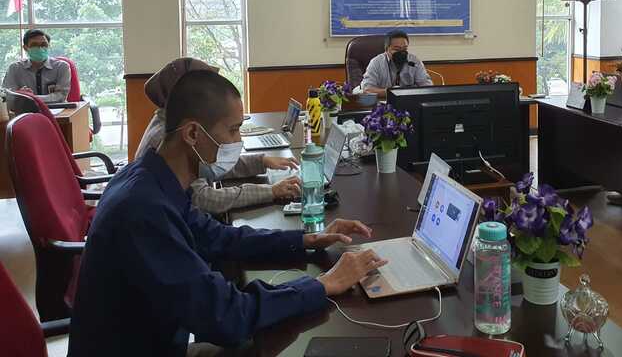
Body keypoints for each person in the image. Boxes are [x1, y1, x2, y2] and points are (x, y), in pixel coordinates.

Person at [67, 70, 387, 357]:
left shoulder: (151, 178)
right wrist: (323, 284)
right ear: (193, 134)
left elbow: (217, 237)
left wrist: (305, 240)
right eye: (234, 130)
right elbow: (228, 317)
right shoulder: (143, 210)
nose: (239, 142)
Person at [135, 58, 301, 214]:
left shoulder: (170, 124)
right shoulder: (168, 139)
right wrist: (270, 191)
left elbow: (212, 162)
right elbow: (204, 198)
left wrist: (260, 161)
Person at [2, 29, 71, 103]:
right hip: (24, 109)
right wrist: (19, 93)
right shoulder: (14, 68)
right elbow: (5, 95)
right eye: (34, 45)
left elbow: (61, 96)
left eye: (44, 45)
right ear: (25, 48)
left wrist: (29, 98)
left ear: (48, 46)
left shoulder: (62, 67)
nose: (40, 48)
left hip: (56, 109)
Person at [361, 29, 432, 99]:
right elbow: (367, 90)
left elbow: (427, 87)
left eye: (404, 49)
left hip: (409, 100)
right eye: (397, 49)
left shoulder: (414, 62)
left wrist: (409, 93)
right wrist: (393, 92)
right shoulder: (376, 63)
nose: (401, 53)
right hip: (384, 101)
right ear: (386, 49)